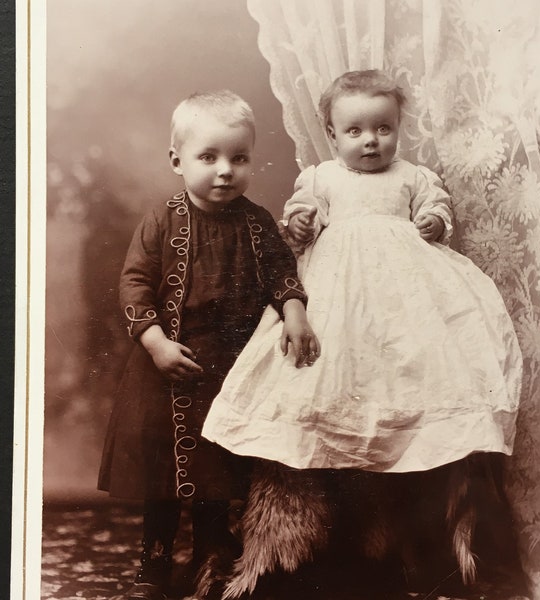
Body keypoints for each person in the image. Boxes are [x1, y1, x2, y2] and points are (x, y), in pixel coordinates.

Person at [201, 70, 525, 598]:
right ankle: (322, 534)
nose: (370, 141)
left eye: (383, 128)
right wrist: (303, 222)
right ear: (332, 135)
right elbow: (301, 213)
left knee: (410, 365)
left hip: (405, 290)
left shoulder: (413, 176)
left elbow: (437, 208)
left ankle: (419, 533)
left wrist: (434, 223)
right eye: (354, 131)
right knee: (329, 378)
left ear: (399, 130)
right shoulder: (323, 176)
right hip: (339, 291)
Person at [97, 90, 319, 600]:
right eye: (209, 157)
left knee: (217, 475)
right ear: (177, 161)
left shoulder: (257, 221)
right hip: (168, 369)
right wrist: (155, 344)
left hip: (229, 372)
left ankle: (210, 559)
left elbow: (283, 274)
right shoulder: (162, 219)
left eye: (238, 158)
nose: (225, 171)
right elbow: (133, 285)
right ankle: (152, 564)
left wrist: (294, 311)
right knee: (163, 480)